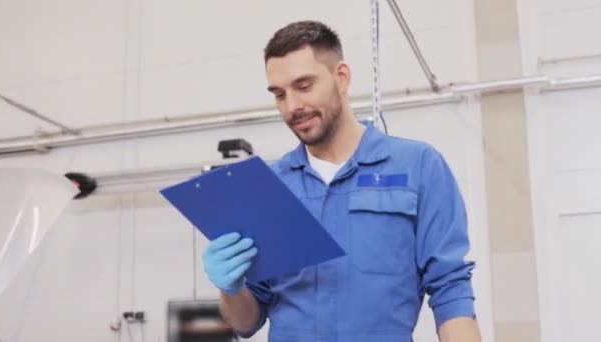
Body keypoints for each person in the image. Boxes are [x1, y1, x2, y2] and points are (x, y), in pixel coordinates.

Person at [202, 20, 482, 342]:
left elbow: (450, 289)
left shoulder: (418, 166)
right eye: (280, 94)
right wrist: (230, 288)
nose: (292, 106)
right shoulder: (270, 188)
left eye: (304, 86)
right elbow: (246, 322)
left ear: (342, 77)